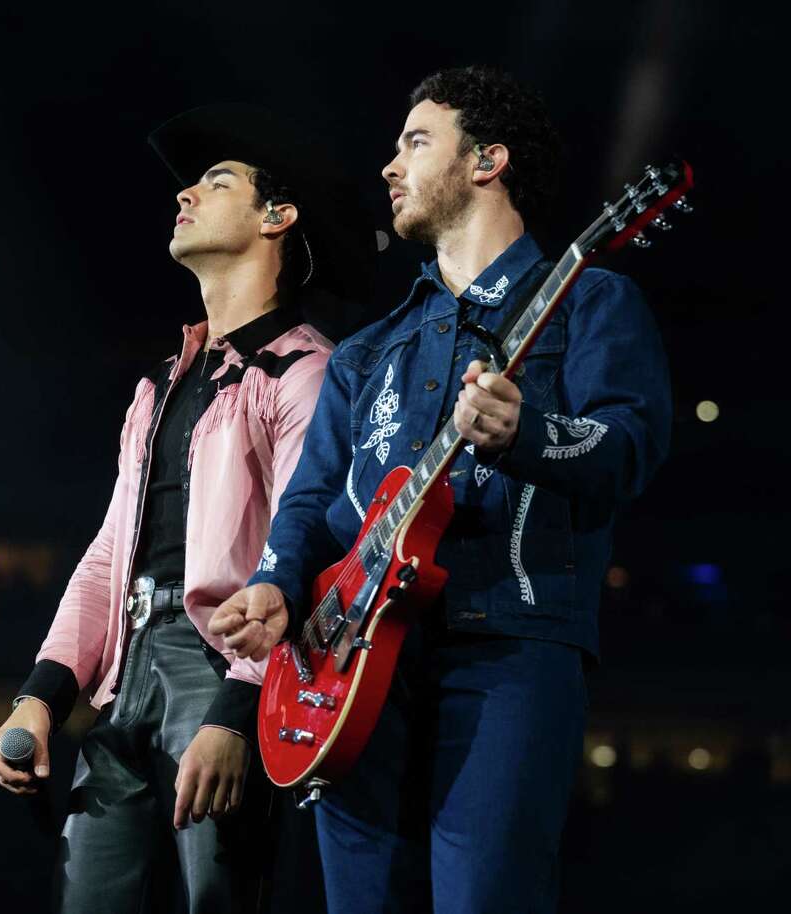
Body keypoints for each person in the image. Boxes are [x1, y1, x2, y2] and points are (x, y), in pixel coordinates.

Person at [211, 66, 673, 913]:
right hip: (349, 671)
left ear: (488, 161)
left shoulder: (591, 300)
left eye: (416, 143)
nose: (390, 165)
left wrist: (526, 435)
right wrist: (277, 582)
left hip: (511, 649)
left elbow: (632, 451)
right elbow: (310, 505)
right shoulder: (366, 353)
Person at [0, 104, 375, 913]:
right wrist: (43, 693)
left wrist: (238, 712)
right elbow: (109, 554)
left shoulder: (306, 376)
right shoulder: (161, 385)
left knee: (220, 897)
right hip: (127, 672)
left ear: (278, 216)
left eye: (216, 181)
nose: (185, 195)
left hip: (221, 667)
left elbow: (306, 555)